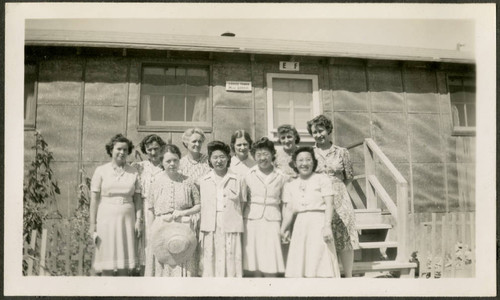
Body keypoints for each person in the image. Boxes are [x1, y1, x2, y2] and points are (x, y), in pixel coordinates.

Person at [307, 114, 359, 278]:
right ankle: (329, 275)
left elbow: (349, 177)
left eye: (321, 131)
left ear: (328, 130)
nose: (318, 135)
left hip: (340, 198)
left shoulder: (342, 152)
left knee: (344, 238)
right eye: (314, 132)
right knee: (323, 237)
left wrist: (343, 198)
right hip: (319, 198)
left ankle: (348, 276)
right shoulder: (310, 153)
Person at [280, 147, 341, 278]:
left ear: (313, 162)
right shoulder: (291, 185)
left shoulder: (322, 179)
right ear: (295, 164)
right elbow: (290, 209)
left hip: (319, 223)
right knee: (301, 266)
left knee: (320, 263)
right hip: (300, 226)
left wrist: (327, 226)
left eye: (308, 160)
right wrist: (284, 229)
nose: (304, 163)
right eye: (300, 160)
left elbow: (330, 204)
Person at [89, 134, 142, 276]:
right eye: (119, 149)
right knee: (107, 259)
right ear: (111, 150)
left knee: (124, 260)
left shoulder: (133, 171)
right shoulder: (101, 171)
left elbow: (137, 199)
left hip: (127, 219)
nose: (122, 152)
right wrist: (92, 224)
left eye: (125, 150)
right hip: (106, 218)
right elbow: (94, 199)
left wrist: (138, 220)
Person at [146, 144, 201, 277]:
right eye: (168, 161)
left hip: (183, 229)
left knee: (183, 264)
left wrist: (183, 213)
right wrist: (150, 231)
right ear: (162, 162)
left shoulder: (188, 182)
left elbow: (199, 206)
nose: (172, 164)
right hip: (161, 229)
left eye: (175, 160)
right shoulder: (155, 183)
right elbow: (150, 209)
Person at [242, 137, 287, 277]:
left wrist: (285, 226)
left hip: (273, 218)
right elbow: (243, 200)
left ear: (272, 154)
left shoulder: (281, 176)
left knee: (271, 255)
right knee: (254, 256)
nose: (263, 158)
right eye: (259, 154)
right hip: (252, 219)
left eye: (266, 154)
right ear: (254, 156)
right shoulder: (248, 175)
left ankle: (271, 287)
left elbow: (285, 203)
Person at [199, 141, 245, 277]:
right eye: (215, 157)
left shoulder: (238, 179)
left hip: (231, 223)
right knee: (211, 257)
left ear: (228, 158)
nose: (219, 161)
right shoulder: (204, 180)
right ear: (210, 160)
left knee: (230, 256)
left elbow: (243, 203)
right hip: (211, 225)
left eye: (222, 157)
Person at [131, 134, 166, 276]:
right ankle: (145, 273)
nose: (153, 152)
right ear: (145, 149)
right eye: (149, 149)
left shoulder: (166, 165)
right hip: (145, 208)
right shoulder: (140, 167)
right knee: (145, 241)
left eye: (156, 149)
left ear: (161, 149)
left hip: (161, 209)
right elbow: (137, 193)